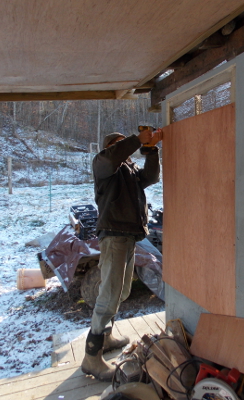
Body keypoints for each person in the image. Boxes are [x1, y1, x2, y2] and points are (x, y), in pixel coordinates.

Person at [81, 127, 163, 381]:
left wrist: (150, 149)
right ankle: (92, 358)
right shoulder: (103, 165)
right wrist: (137, 140)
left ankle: (106, 337)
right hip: (114, 235)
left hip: (127, 236)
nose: (125, 150)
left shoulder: (129, 172)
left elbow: (151, 176)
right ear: (111, 149)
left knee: (121, 291)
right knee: (109, 293)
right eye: (119, 145)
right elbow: (111, 156)